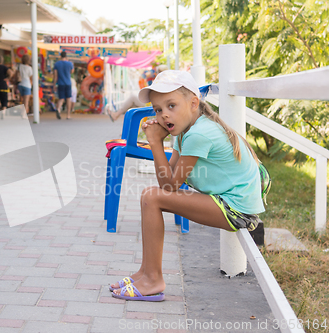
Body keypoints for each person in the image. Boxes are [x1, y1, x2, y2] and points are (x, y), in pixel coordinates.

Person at [110, 70, 265, 301]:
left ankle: (153, 280)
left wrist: (154, 142)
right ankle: (145, 273)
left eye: (171, 106)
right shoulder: (185, 132)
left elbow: (169, 187)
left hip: (237, 210)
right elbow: (166, 182)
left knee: (152, 197)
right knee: (149, 195)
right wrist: (159, 142)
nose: (163, 115)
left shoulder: (199, 134)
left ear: (194, 103)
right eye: (158, 109)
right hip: (226, 204)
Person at [53, 51, 74, 119]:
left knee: (61, 98)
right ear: (66, 56)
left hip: (60, 83)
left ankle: (58, 109)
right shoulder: (70, 63)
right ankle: (68, 115)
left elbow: (55, 76)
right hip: (68, 83)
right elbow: (72, 71)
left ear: (60, 56)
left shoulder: (57, 64)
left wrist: (54, 85)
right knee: (68, 98)